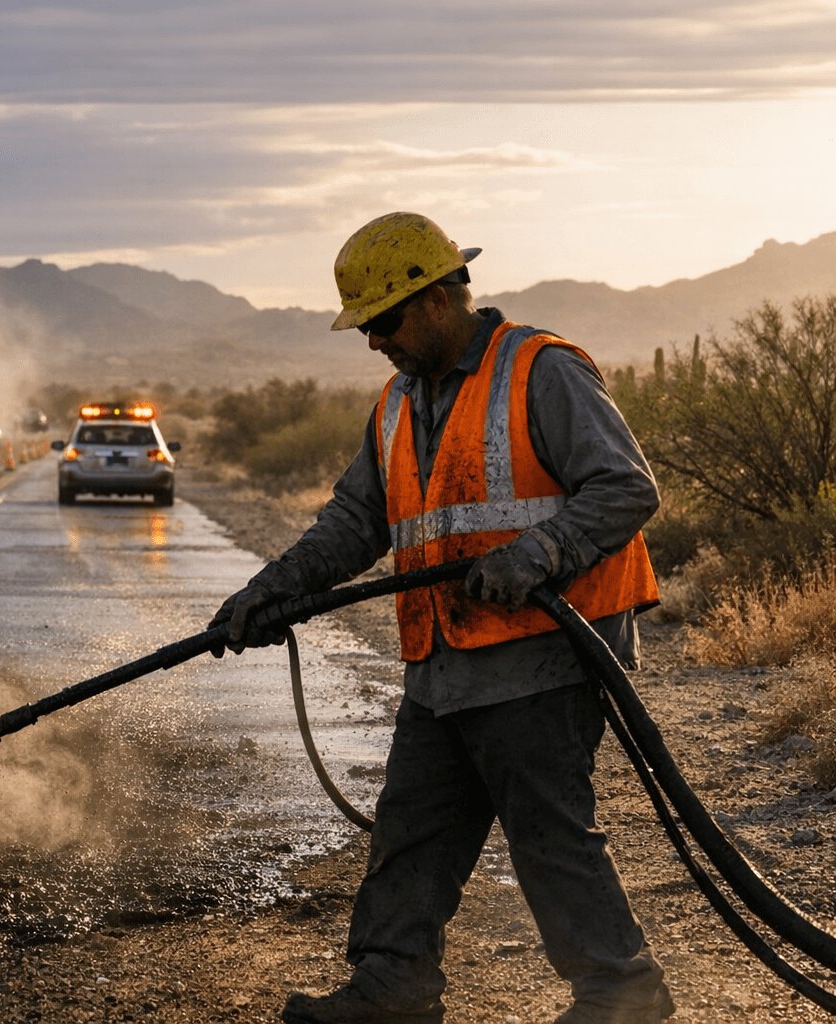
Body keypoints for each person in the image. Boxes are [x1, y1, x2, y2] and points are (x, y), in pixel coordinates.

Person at [209, 213, 671, 1024]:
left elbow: (626, 489)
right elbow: (356, 521)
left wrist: (534, 557)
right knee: (413, 827)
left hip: (544, 650)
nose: (373, 342)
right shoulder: (396, 404)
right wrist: (271, 590)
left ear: (432, 300)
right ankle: (392, 986)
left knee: (547, 833)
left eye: (381, 322)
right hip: (446, 657)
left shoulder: (540, 369)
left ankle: (620, 993)